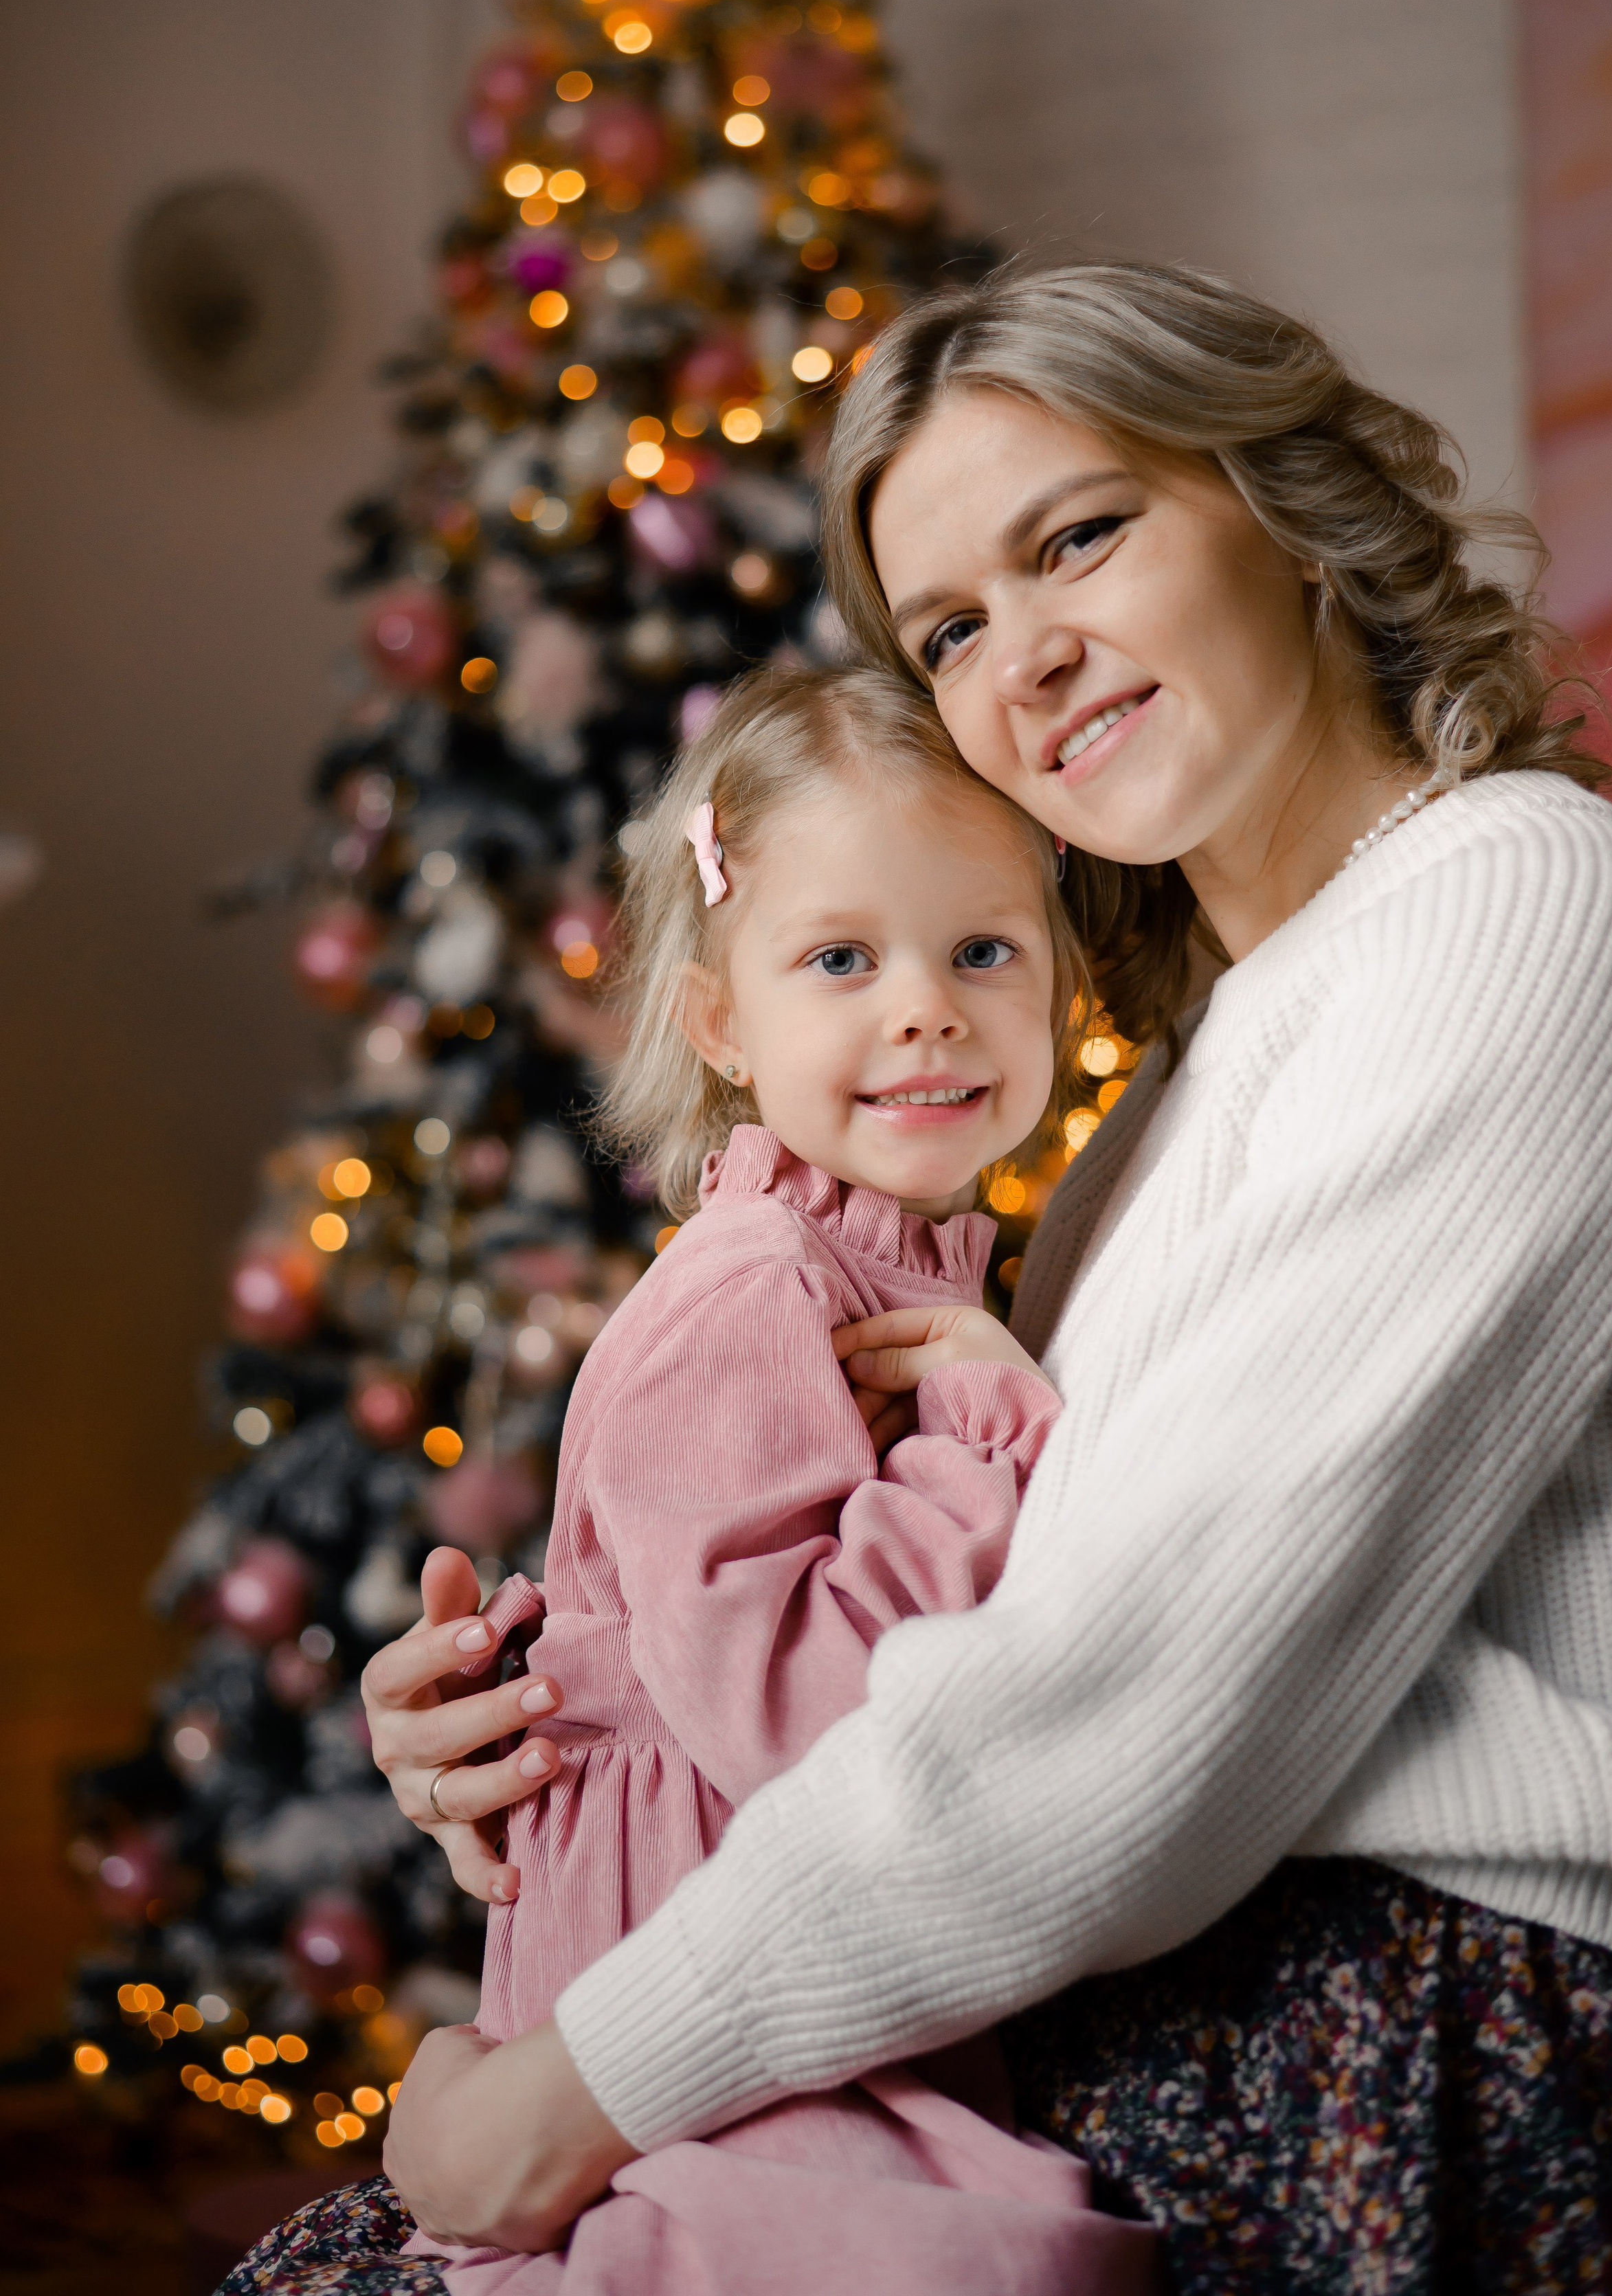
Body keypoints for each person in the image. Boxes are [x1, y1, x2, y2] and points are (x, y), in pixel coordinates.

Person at [247, 263, 1612, 2293]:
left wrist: (571, 2091)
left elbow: (1118, 1731)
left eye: (1082, 537)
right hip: (1138, 1995)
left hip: (1441, 2055)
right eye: (952, 628)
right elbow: (957, 1648)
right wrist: (578, 1723)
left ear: (1288, 506)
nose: (1025, 658)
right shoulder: (1163, 1102)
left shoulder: (1524, 918)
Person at [230, 664, 1154, 2296]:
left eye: (983, 950)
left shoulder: (900, 1274)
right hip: (685, 1951)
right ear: (721, 1016)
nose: (925, 1005)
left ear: (1062, 984)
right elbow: (798, 1710)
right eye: (840, 959)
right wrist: (985, 1438)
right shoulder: (754, 1290)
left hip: (797, 1936)